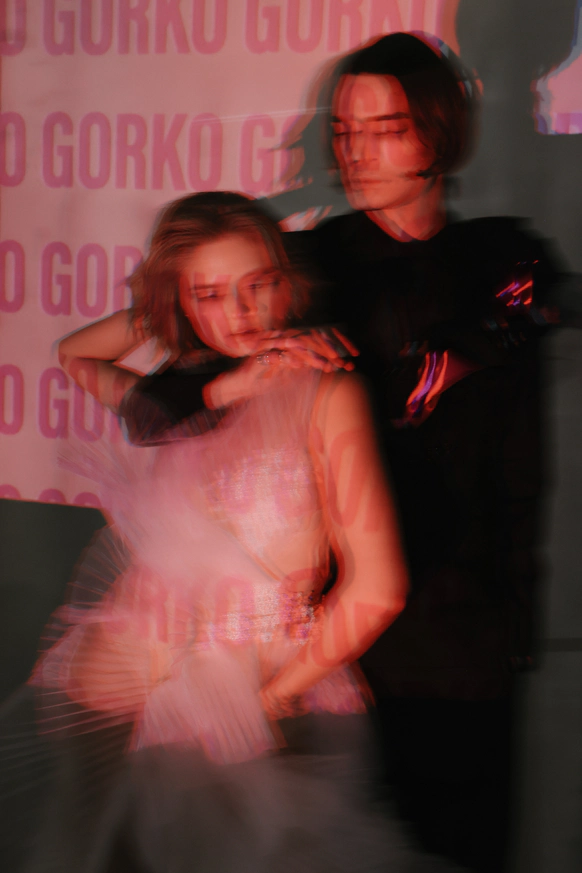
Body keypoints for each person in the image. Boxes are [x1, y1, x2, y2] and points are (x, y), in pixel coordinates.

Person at [110, 35, 563, 873]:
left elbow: (520, 452)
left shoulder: (507, 263)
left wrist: (518, 617)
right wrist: (240, 376)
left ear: (439, 133)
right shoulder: (304, 269)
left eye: (385, 129)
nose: (356, 153)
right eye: (345, 133)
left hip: (467, 640)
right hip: (340, 643)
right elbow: (152, 405)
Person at [1, 192, 463, 873]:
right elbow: (76, 354)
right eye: (210, 295)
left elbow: (377, 589)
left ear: (287, 282)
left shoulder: (325, 392)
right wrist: (181, 321)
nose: (241, 313)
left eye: (258, 285)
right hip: (106, 693)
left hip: (243, 705)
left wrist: (270, 700)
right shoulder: (181, 397)